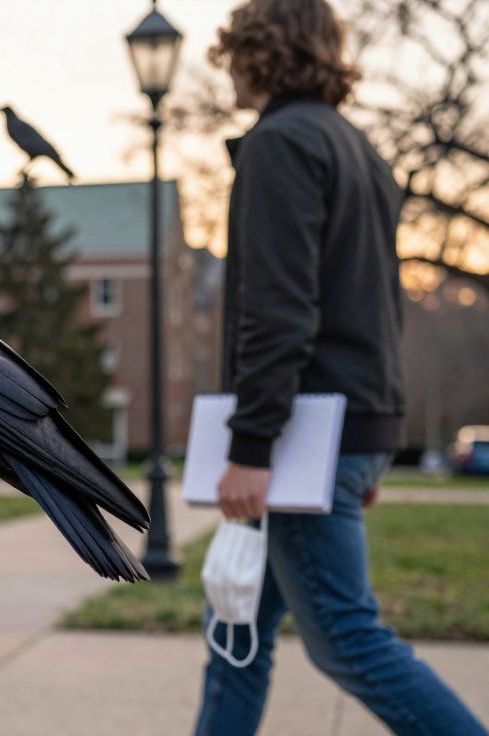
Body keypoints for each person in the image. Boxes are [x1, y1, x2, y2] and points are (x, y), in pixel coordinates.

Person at [195, 1, 487, 734]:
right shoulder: (358, 149)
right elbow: (380, 305)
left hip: (302, 436)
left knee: (347, 640)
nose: (227, 69)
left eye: (233, 52)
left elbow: (279, 310)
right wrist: (373, 445)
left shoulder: (280, 145)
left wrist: (251, 448)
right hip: (344, 428)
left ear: (261, 52)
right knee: (235, 631)